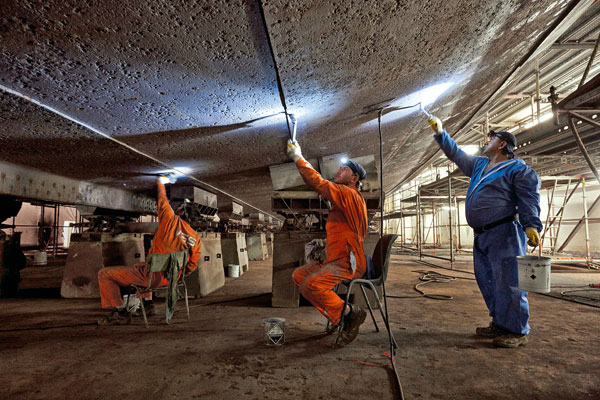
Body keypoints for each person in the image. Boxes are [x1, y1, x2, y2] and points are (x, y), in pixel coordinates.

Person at [427, 116, 542, 348]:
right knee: (488, 280)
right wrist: (441, 134)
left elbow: (529, 198)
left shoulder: (518, 169)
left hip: (505, 232)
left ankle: (517, 330)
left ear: (503, 144)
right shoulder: (479, 165)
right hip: (482, 235)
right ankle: (500, 323)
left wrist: (531, 225)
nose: (486, 142)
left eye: (492, 139)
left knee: (509, 282)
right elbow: (456, 154)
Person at [287, 140, 369, 347]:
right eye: (340, 167)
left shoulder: (348, 193)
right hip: (337, 259)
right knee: (299, 276)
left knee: (311, 285)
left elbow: (318, 183)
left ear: (354, 178)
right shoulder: (348, 199)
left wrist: (298, 157)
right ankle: (338, 315)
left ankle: (350, 313)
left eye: (345, 169)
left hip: (348, 263)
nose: (340, 169)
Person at [97, 178, 201, 325]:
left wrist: (160, 182)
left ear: (182, 213)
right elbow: (191, 266)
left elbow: (162, 200)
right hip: (172, 279)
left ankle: (120, 312)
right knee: (142, 265)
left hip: (151, 278)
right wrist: (175, 274)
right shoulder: (196, 239)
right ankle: (147, 305)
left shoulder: (171, 221)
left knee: (104, 274)